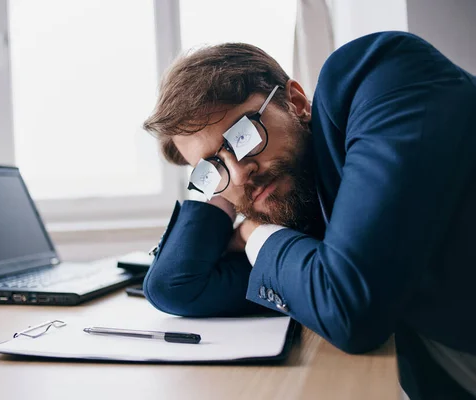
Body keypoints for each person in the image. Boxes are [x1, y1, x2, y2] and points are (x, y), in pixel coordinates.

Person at [142, 31, 476, 399]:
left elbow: (350, 309)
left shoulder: (379, 74)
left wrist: (256, 235)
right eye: (210, 168)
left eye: (242, 135)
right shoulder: (299, 205)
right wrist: (221, 182)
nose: (240, 173)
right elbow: (175, 286)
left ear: (296, 102)